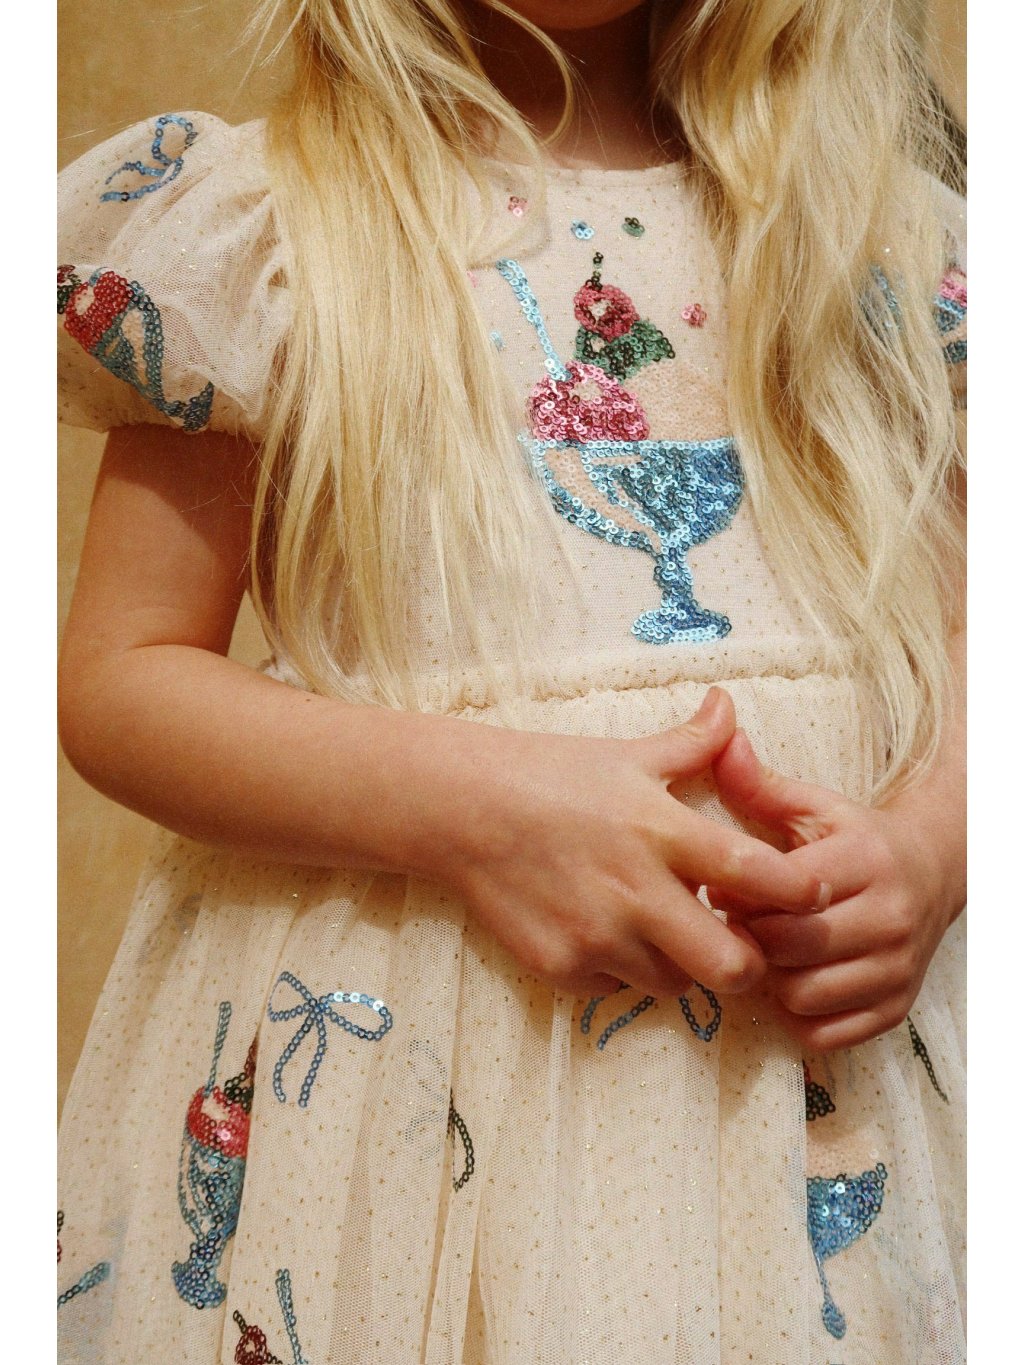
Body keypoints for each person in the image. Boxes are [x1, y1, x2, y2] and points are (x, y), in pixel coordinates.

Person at [56, 1, 966, 1360]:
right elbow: (125, 677)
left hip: (820, 1097)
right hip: (408, 1101)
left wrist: (938, 845)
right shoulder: (272, 227)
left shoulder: (873, 236)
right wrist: (479, 804)